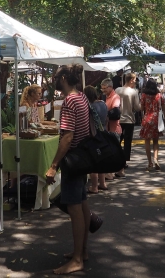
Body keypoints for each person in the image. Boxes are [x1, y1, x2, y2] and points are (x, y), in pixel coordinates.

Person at [45, 65, 92, 275]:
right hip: (84, 158)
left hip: (73, 161)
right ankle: (82, 251)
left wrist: (53, 165)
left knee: (75, 209)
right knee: (82, 205)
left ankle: (77, 259)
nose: (54, 80)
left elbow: (67, 137)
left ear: (63, 78)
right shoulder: (82, 97)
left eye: (56, 77)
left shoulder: (70, 100)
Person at [115, 72, 141, 177]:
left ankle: (116, 161)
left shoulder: (117, 90)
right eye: (134, 80)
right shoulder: (134, 92)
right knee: (127, 143)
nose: (135, 82)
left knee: (117, 141)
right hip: (129, 119)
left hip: (117, 120)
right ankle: (123, 164)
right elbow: (137, 107)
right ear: (131, 80)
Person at [84, 86, 108, 194]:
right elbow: (107, 118)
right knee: (101, 160)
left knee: (93, 161)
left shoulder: (89, 107)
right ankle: (102, 183)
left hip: (93, 135)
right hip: (103, 133)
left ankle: (94, 187)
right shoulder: (103, 103)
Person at [139, 79, 165, 171]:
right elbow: (164, 107)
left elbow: (141, 108)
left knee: (147, 141)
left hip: (147, 118)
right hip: (156, 119)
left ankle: (149, 163)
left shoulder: (144, 95)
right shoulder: (159, 95)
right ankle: (155, 159)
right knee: (155, 141)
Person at [100, 78, 121, 181]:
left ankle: (110, 173)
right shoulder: (106, 97)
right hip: (109, 129)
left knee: (112, 152)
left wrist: (105, 115)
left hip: (114, 129)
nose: (103, 90)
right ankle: (120, 171)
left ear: (111, 87)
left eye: (105, 88)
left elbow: (116, 112)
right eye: (102, 88)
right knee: (115, 151)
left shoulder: (115, 97)